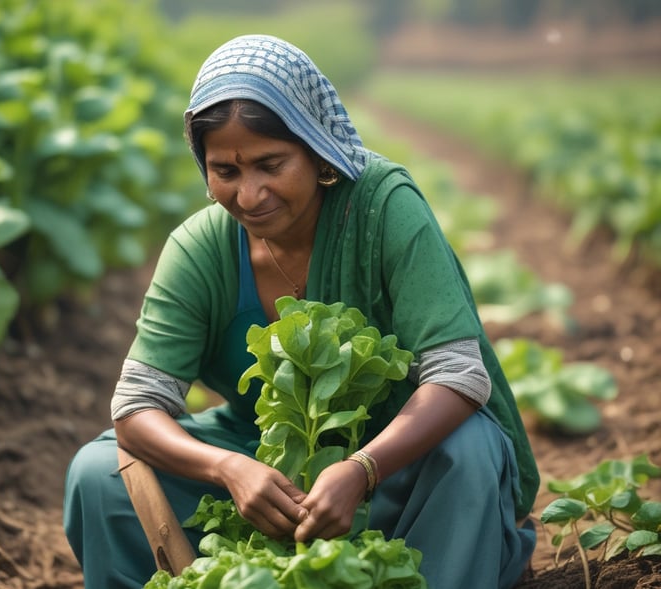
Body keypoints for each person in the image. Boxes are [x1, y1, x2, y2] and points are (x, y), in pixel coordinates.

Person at [63, 34, 539, 589]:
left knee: (469, 448)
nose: (249, 195)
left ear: (317, 150)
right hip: (260, 466)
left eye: (271, 164)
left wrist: (362, 470)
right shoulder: (201, 247)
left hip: (399, 464)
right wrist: (229, 468)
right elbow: (137, 407)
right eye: (227, 171)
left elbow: (458, 374)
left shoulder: (384, 208)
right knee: (98, 474)